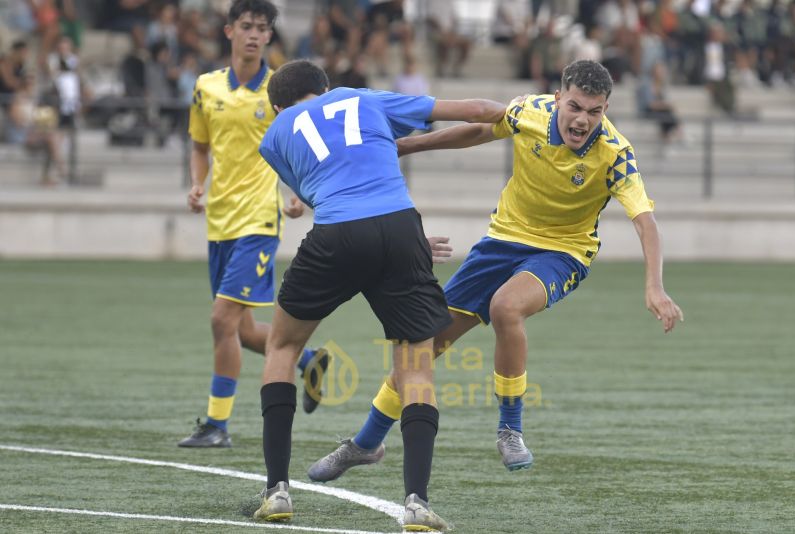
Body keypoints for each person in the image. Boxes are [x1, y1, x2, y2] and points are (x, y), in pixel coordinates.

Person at [307, 59, 684, 481]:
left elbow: (645, 221)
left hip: (563, 252)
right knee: (423, 345)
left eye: (595, 112)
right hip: (500, 242)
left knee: (507, 307)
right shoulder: (529, 112)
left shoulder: (615, 154)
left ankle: (510, 428)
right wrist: (411, 146)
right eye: (575, 107)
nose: (583, 120)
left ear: (606, 109)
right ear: (558, 97)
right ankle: (365, 443)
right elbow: (483, 130)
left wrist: (655, 286)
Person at [252, 58, 508, 531]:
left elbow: (321, 194)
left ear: (276, 106)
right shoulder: (361, 97)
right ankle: (416, 503)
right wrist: (524, 113)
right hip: (400, 227)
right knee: (415, 367)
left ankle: (276, 492)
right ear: (325, 87)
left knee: (283, 346)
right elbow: (474, 109)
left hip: (336, 233)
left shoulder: (274, 135)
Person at [179, 0, 328, 449]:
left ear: (268, 37)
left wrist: (297, 192)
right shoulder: (206, 87)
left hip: (259, 218)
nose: (253, 35)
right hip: (219, 220)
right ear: (229, 31)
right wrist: (196, 184)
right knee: (240, 331)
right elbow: (200, 146)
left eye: (262, 29)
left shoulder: (279, 92)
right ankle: (309, 362)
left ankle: (217, 425)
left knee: (221, 318)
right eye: (246, 26)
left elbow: (302, 145)